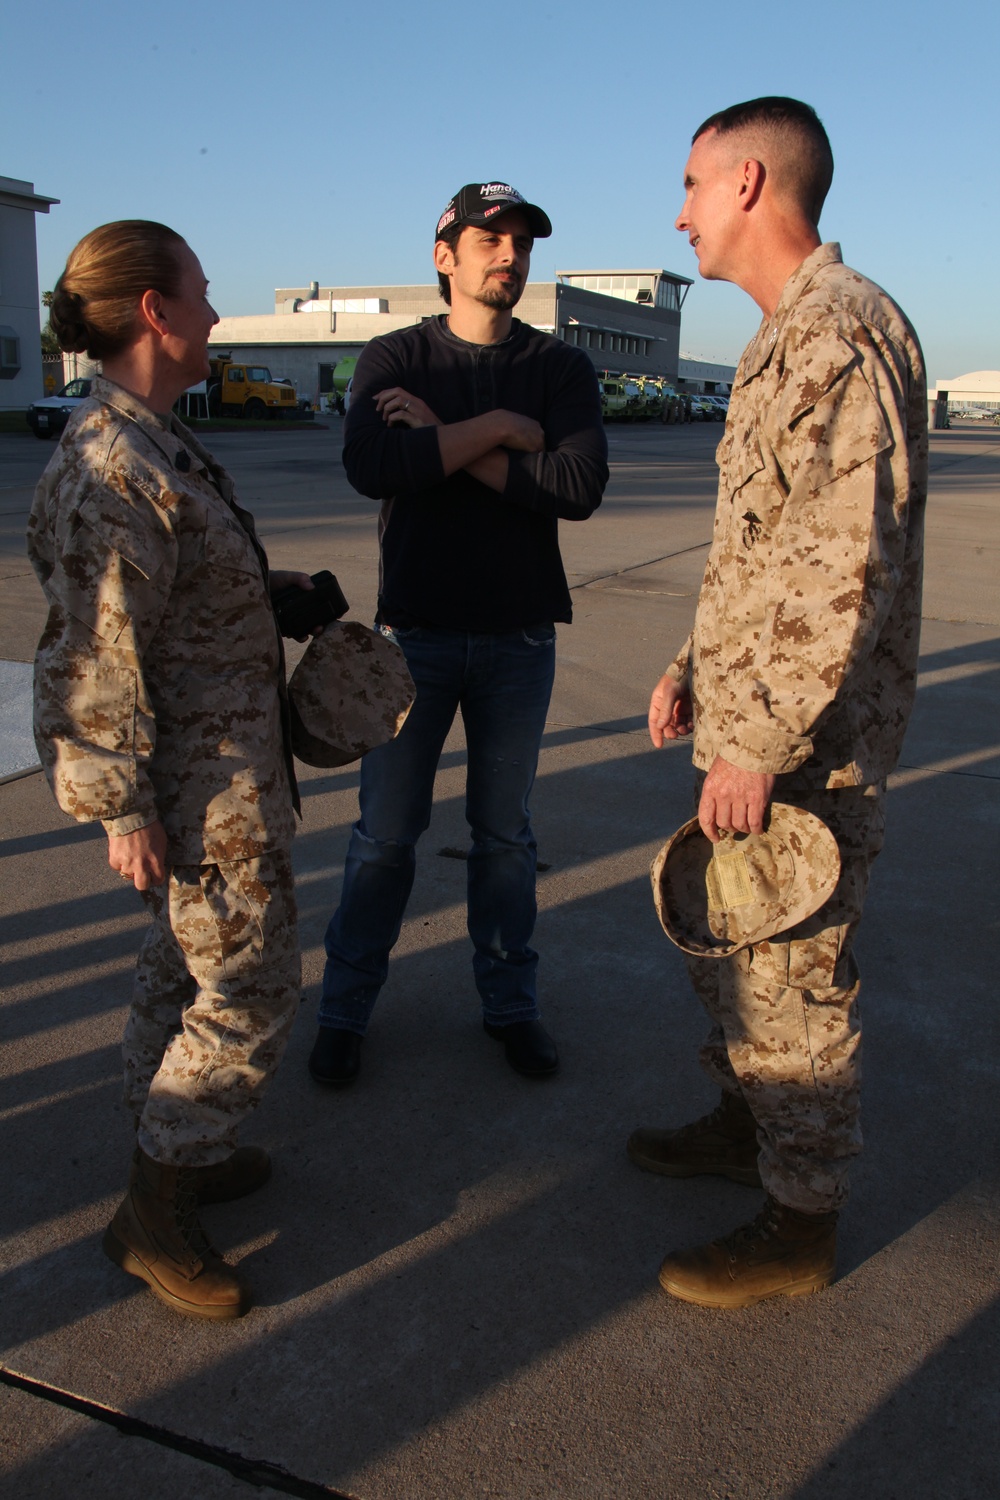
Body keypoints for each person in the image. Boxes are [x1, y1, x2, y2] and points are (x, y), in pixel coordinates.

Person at [629, 98, 927, 1308]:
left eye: (692, 183)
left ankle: (798, 1216)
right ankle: (746, 1121)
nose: (680, 209)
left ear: (748, 182)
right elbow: (761, 547)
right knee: (740, 950)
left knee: (795, 977)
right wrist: (693, 668)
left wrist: (753, 741)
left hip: (809, 744)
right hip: (760, 723)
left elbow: (842, 563)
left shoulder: (835, 337)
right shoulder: (781, 337)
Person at [28, 220, 314, 1320]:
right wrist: (120, 809)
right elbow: (92, 654)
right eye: (198, 289)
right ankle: (155, 1207)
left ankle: (178, 1151)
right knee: (246, 986)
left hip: (221, 771)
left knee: (183, 972)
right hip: (197, 792)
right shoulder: (115, 463)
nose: (211, 309)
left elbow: (167, 603)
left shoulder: (153, 441)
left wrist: (261, 593)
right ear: (153, 309)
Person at [309, 182, 608, 1087]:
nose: (508, 254)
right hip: (414, 640)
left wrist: (446, 440)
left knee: (506, 839)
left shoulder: (559, 369)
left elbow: (576, 488)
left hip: (519, 641)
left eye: (521, 241)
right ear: (445, 254)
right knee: (384, 837)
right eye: (490, 237)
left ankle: (510, 1008)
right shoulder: (394, 356)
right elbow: (372, 464)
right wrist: (493, 433)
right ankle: (344, 1013)